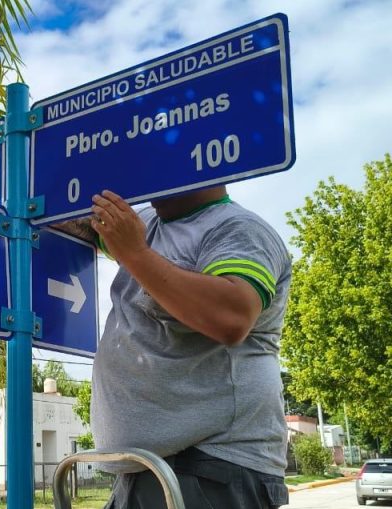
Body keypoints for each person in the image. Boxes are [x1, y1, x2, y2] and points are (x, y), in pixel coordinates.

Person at [55, 186, 291, 509]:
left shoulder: (240, 228)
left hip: (212, 468)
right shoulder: (146, 225)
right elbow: (88, 227)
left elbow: (232, 316)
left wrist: (136, 254)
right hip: (144, 470)